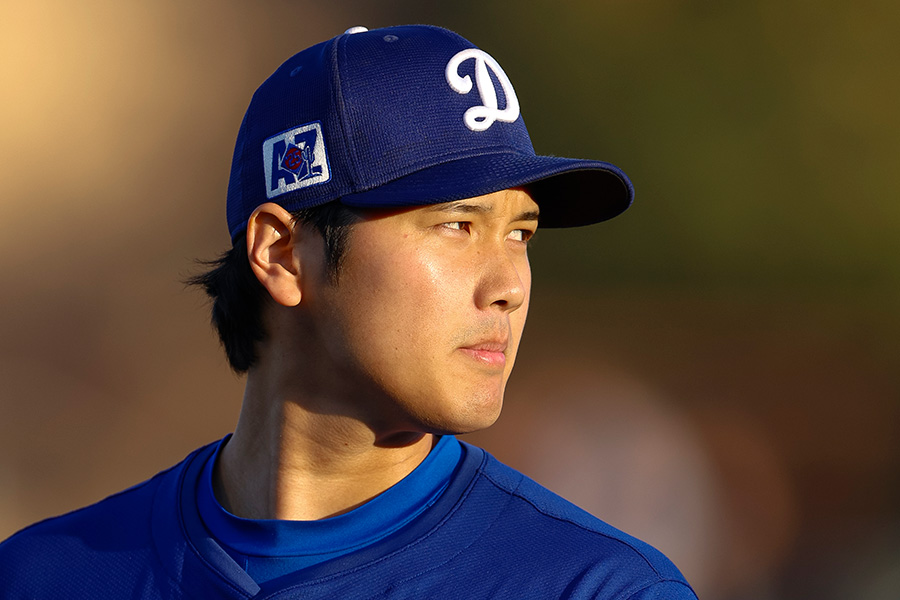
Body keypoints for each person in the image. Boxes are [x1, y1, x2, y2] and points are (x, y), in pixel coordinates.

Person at [0, 25, 698, 599]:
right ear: (279, 254)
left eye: (521, 233)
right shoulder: (45, 576)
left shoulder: (598, 590)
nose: (509, 284)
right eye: (457, 224)